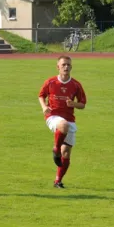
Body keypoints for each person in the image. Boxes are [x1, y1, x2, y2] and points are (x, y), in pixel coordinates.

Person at [38, 55, 87, 189]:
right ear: (58, 67)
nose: (66, 67)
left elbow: (83, 104)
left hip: (70, 119)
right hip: (53, 116)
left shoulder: (76, 85)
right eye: (63, 64)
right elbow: (41, 95)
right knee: (63, 126)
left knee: (66, 153)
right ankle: (55, 149)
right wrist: (44, 107)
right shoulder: (51, 82)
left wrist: (73, 104)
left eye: (68, 65)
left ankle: (58, 181)